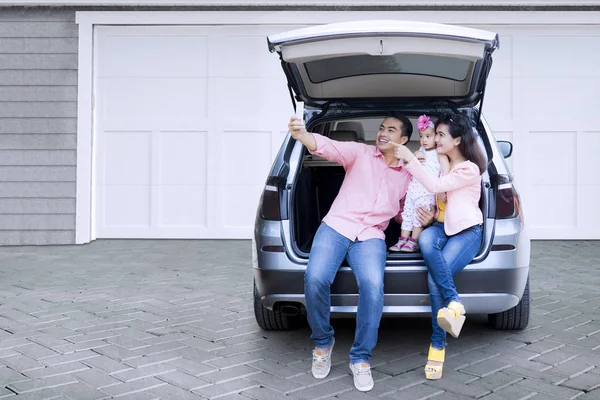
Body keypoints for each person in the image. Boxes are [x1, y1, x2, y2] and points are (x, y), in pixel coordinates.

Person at [288, 113, 413, 392]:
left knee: (372, 285)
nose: (383, 133)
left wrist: (422, 218)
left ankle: (360, 358)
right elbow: (326, 145)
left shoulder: (408, 174)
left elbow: (403, 214)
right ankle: (323, 342)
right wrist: (301, 134)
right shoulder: (360, 153)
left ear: (403, 140)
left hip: (370, 235)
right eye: (381, 128)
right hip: (336, 226)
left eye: (391, 130)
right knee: (316, 278)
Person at [392, 113, 487, 381]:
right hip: (442, 227)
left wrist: (410, 159)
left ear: (457, 140)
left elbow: (436, 185)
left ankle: (438, 343)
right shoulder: (441, 162)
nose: (437, 138)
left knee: (434, 280)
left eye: (442, 134)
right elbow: (440, 198)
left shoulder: (469, 168)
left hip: (466, 232)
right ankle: (454, 303)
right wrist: (432, 214)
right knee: (423, 239)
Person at [389, 115, 449, 252]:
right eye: (421, 136)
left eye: (428, 136)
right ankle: (402, 240)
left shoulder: (440, 154)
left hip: (427, 191)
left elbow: (445, 173)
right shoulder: (420, 151)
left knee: (419, 215)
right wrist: (416, 156)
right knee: (407, 213)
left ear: (437, 137)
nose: (424, 140)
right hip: (413, 188)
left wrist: (442, 190)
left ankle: (413, 241)